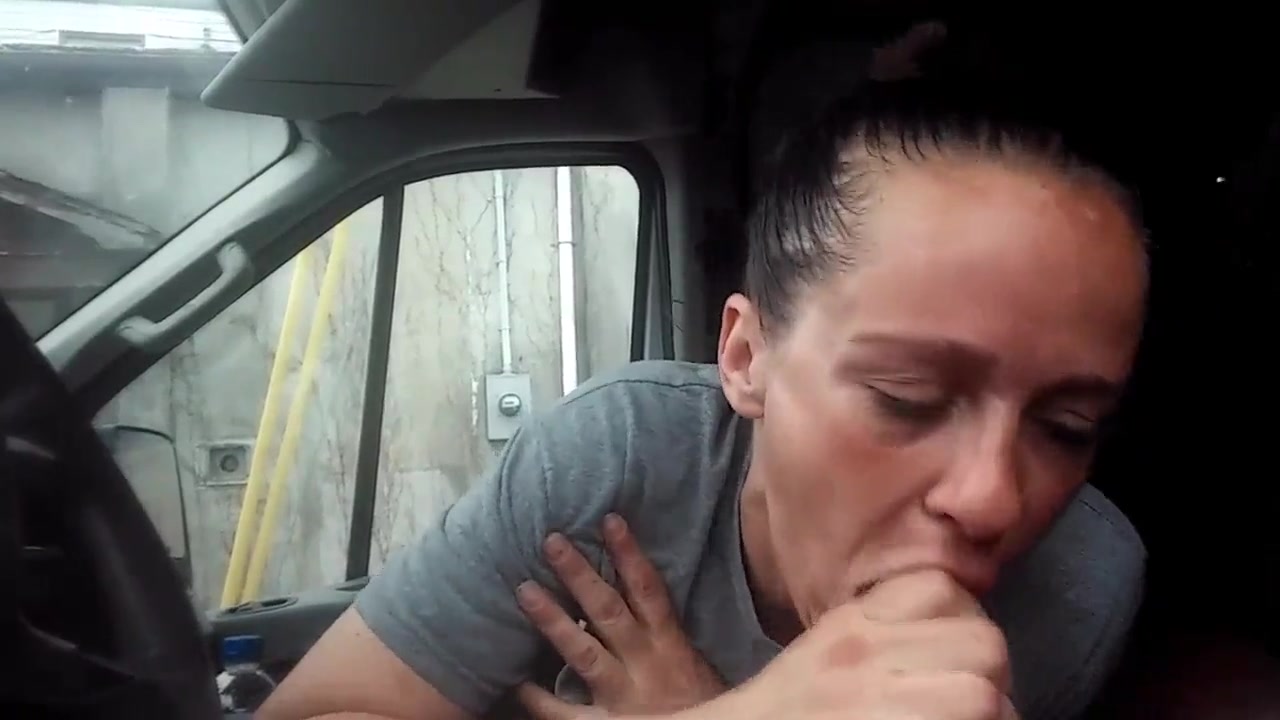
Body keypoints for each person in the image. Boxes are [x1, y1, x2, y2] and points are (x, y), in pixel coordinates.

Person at [257, 34, 1150, 720]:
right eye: (906, 398)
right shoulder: (613, 461)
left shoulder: (1080, 587)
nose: (993, 500)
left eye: (1065, 428)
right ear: (746, 358)